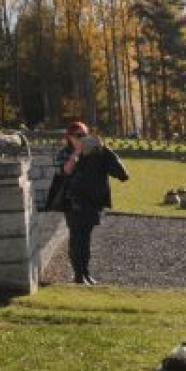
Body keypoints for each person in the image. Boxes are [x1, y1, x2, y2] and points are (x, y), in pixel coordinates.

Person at [48, 121, 129, 285]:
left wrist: (104, 149)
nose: (82, 138)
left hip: (91, 201)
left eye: (85, 135)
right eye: (78, 135)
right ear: (69, 137)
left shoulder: (96, 153)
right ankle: (78, 275)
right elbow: (65, 171)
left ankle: (85, 272)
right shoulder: (64, 153)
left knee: (85, 239)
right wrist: (76, 153)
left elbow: (121, 173)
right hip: (72, 201)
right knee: (76, 238)